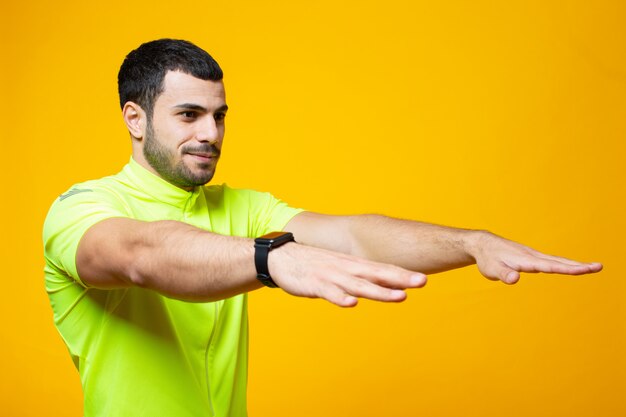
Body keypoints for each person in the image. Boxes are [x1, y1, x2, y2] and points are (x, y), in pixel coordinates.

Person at [43, 38, 602, 417]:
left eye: (220, 116)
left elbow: (355, 235)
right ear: (134, 119)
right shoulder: (82, 208)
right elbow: (142, 255)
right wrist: (271, 259)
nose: (211, 133)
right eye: (189, 115)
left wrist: (469, 242)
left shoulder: (241, 206)